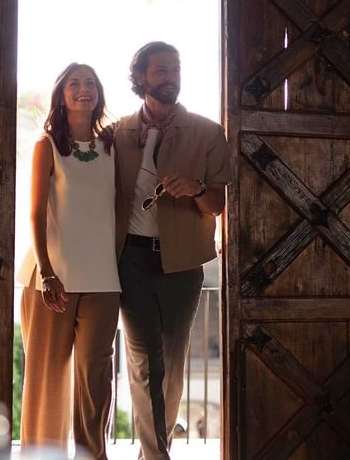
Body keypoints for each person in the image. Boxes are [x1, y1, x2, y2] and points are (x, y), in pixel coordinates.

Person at [112, 42, 230, 459]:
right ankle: (157, 457)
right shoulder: (117, 133)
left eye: (175, 69)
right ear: (141, 77)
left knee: (172, 366)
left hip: (184, 264)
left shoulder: (207, 132)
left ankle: (149, 452)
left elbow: (217, 204)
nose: (170, 76)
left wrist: (196, 189)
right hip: (131, 262)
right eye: (160, 70)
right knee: (145, 363)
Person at [21, 62, 121, 459]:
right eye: (75, 84)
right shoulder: (46, 146)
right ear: (61, 95)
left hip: (103, 281)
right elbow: (34, 213)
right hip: (52, 279)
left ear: (99, 94)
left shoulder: (112, 145)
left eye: (91, 83)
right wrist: (47, 274)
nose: (84, 90)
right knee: (46, 381)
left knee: (96, 382)